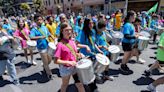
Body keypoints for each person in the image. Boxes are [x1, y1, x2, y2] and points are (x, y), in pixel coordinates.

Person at [54, 22, 85, 92]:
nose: (69, 32)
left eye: (70, 30)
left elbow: (73, 53)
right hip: (66, 68)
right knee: (65, 84)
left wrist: (78, 55)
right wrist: (68, 62)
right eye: (66, 30)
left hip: (75, 66)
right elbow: (56, 61)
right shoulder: (60, 44)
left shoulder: (72, 41)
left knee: (79, 84)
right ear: (62, 31)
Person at [76, 18, 103, 92]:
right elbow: (77, 44)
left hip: (93, 54)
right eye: (89, 23)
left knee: (92, 71)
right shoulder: (82, 32)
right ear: (86, 24)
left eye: (92, 23)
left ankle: (91, 85)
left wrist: (99, 50)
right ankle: (93, 87)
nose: (91, 25)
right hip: (86, 56)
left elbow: (94, 43)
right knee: (90, 72)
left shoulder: (93, 31)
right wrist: (86, 46)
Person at [30, 14, 53, 79]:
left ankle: (45, 66)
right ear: (35, 21)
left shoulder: (44, 27)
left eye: (40, 19)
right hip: (41, 47)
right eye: (38, 20)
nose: (39, 21)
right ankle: (49, 74)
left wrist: (51, 36)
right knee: (45, 61)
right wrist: (40, 37)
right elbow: (31, 37)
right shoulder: (34, 29)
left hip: (48, 45)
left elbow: (48, 33)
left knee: (50, 60)